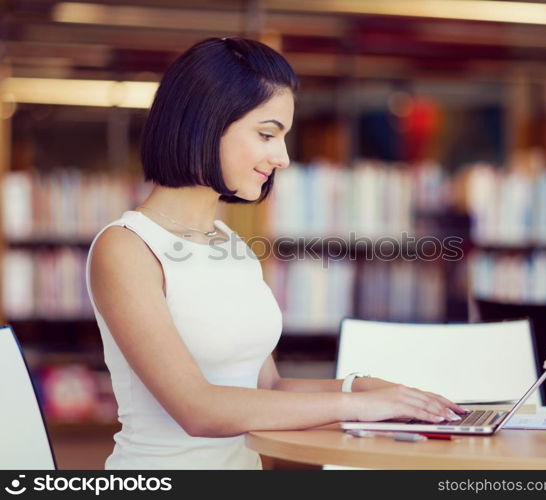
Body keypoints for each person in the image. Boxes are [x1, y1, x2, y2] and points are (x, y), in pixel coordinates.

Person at [86, 36, 466, 470]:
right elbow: (199, 409)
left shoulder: (229, 244)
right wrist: (355, 408)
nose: (282, 157)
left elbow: (267, 387)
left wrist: (360, 390)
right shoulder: (127, 247)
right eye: (267, 134)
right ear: (206, 123)